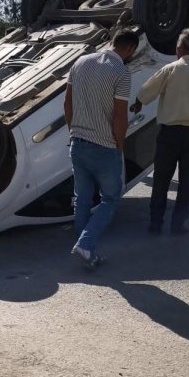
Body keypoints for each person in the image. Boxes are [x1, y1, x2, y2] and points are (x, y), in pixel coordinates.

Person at [130, 28, 189, 236]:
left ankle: (155, 224)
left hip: (169, 135)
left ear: (181, 47)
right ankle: (178, 225)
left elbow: (144, 92)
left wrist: (138, 104)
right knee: (186, 182)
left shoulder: (170, 69)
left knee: (161, 180)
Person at [63, 30, 138, 269]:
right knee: (111, 198)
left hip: (78, 143)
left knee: (82, 198)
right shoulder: (121, 73)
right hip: (104, 147)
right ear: (130, 50)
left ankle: (84, 248)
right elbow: (119, 116)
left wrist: (72, 132)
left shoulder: (80, 62)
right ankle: (86, 244)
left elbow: (67, 103)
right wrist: (119, 145)